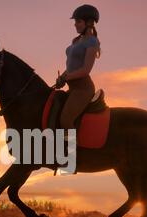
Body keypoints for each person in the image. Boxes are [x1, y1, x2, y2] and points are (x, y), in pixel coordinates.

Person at [56, 4, 101, 141]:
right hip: (72, 87)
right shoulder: (76, 41)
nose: (75, 25)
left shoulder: (92, 42)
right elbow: (70, 67)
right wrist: (62, 77)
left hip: (83, 89)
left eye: (78, 21)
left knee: (65, 120)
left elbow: (85, 70)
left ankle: (72, 155)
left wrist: (67, 77)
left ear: (89, 22)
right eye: (75, 21)